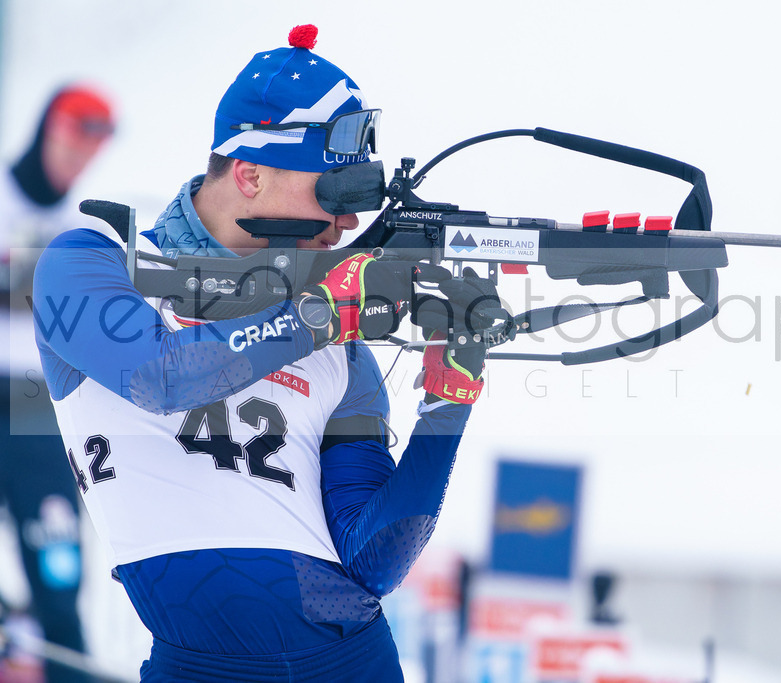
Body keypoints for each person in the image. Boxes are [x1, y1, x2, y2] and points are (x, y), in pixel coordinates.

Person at [31, 24, 499, 682]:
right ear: (249, 173)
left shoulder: (342, 346)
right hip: (194, 666)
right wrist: (316, 314)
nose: (346, 225)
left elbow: (372, 562)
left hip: (351, 660)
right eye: (334, 195)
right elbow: (158, 375)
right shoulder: (94, 262)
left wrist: (448, 405)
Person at [1, 83, 115, 683]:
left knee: (58, 569)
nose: (79, 154)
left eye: (93, 143)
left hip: (36, 402)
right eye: (72, 135)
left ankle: (66, 667)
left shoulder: (81, 226)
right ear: (47, 128)